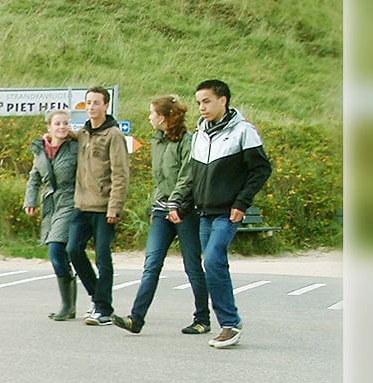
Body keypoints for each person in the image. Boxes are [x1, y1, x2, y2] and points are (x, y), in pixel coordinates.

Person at [112, 94, 211, 335]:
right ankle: (136, 319)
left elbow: (187, 176)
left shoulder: (188, 141)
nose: (148, 116)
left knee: (192, 266)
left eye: (152, 113)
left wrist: (175, 204)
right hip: (160, 209)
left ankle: (203, 319)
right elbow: (160, 179)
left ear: (163, 117)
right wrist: (156, 206)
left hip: (184, 210)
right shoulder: (156, 141)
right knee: (151, 264)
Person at [187, 79, 272, 349]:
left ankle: (230, 324)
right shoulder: (199, 134)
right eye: (199, 102)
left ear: (223, 100)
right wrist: (181, 204)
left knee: (213, 260)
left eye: (206, 101)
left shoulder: (243, 131)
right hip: (204, 212)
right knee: (213, 264)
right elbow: (193, 175)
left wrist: (242, 202)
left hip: (228, 211)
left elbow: (261, 170)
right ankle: (228, 323)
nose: (201, 107)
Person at [68, 87, 130, 325]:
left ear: (106, 106)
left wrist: (115, 208)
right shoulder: (83, 132)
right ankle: (98, 298)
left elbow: (120, 174)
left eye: (96, 103)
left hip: (104, 208)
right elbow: (68, 138)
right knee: (73, 250)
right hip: (81, 206)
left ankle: (103, 309)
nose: (92, 107)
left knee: (103, 257)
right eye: (88, 103)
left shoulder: (113, 135)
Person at [24, 109, 80, 320]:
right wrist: (29, 201)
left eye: (65, 123)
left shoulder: (75, 147)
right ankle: (69, 306)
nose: (62, 127)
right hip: (50, 204)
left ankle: (67, 305)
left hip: (70, 200)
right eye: (58, 124)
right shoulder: (40, 150)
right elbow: (34, 178)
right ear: (49, 127)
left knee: (56, 249)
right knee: (60, 251)